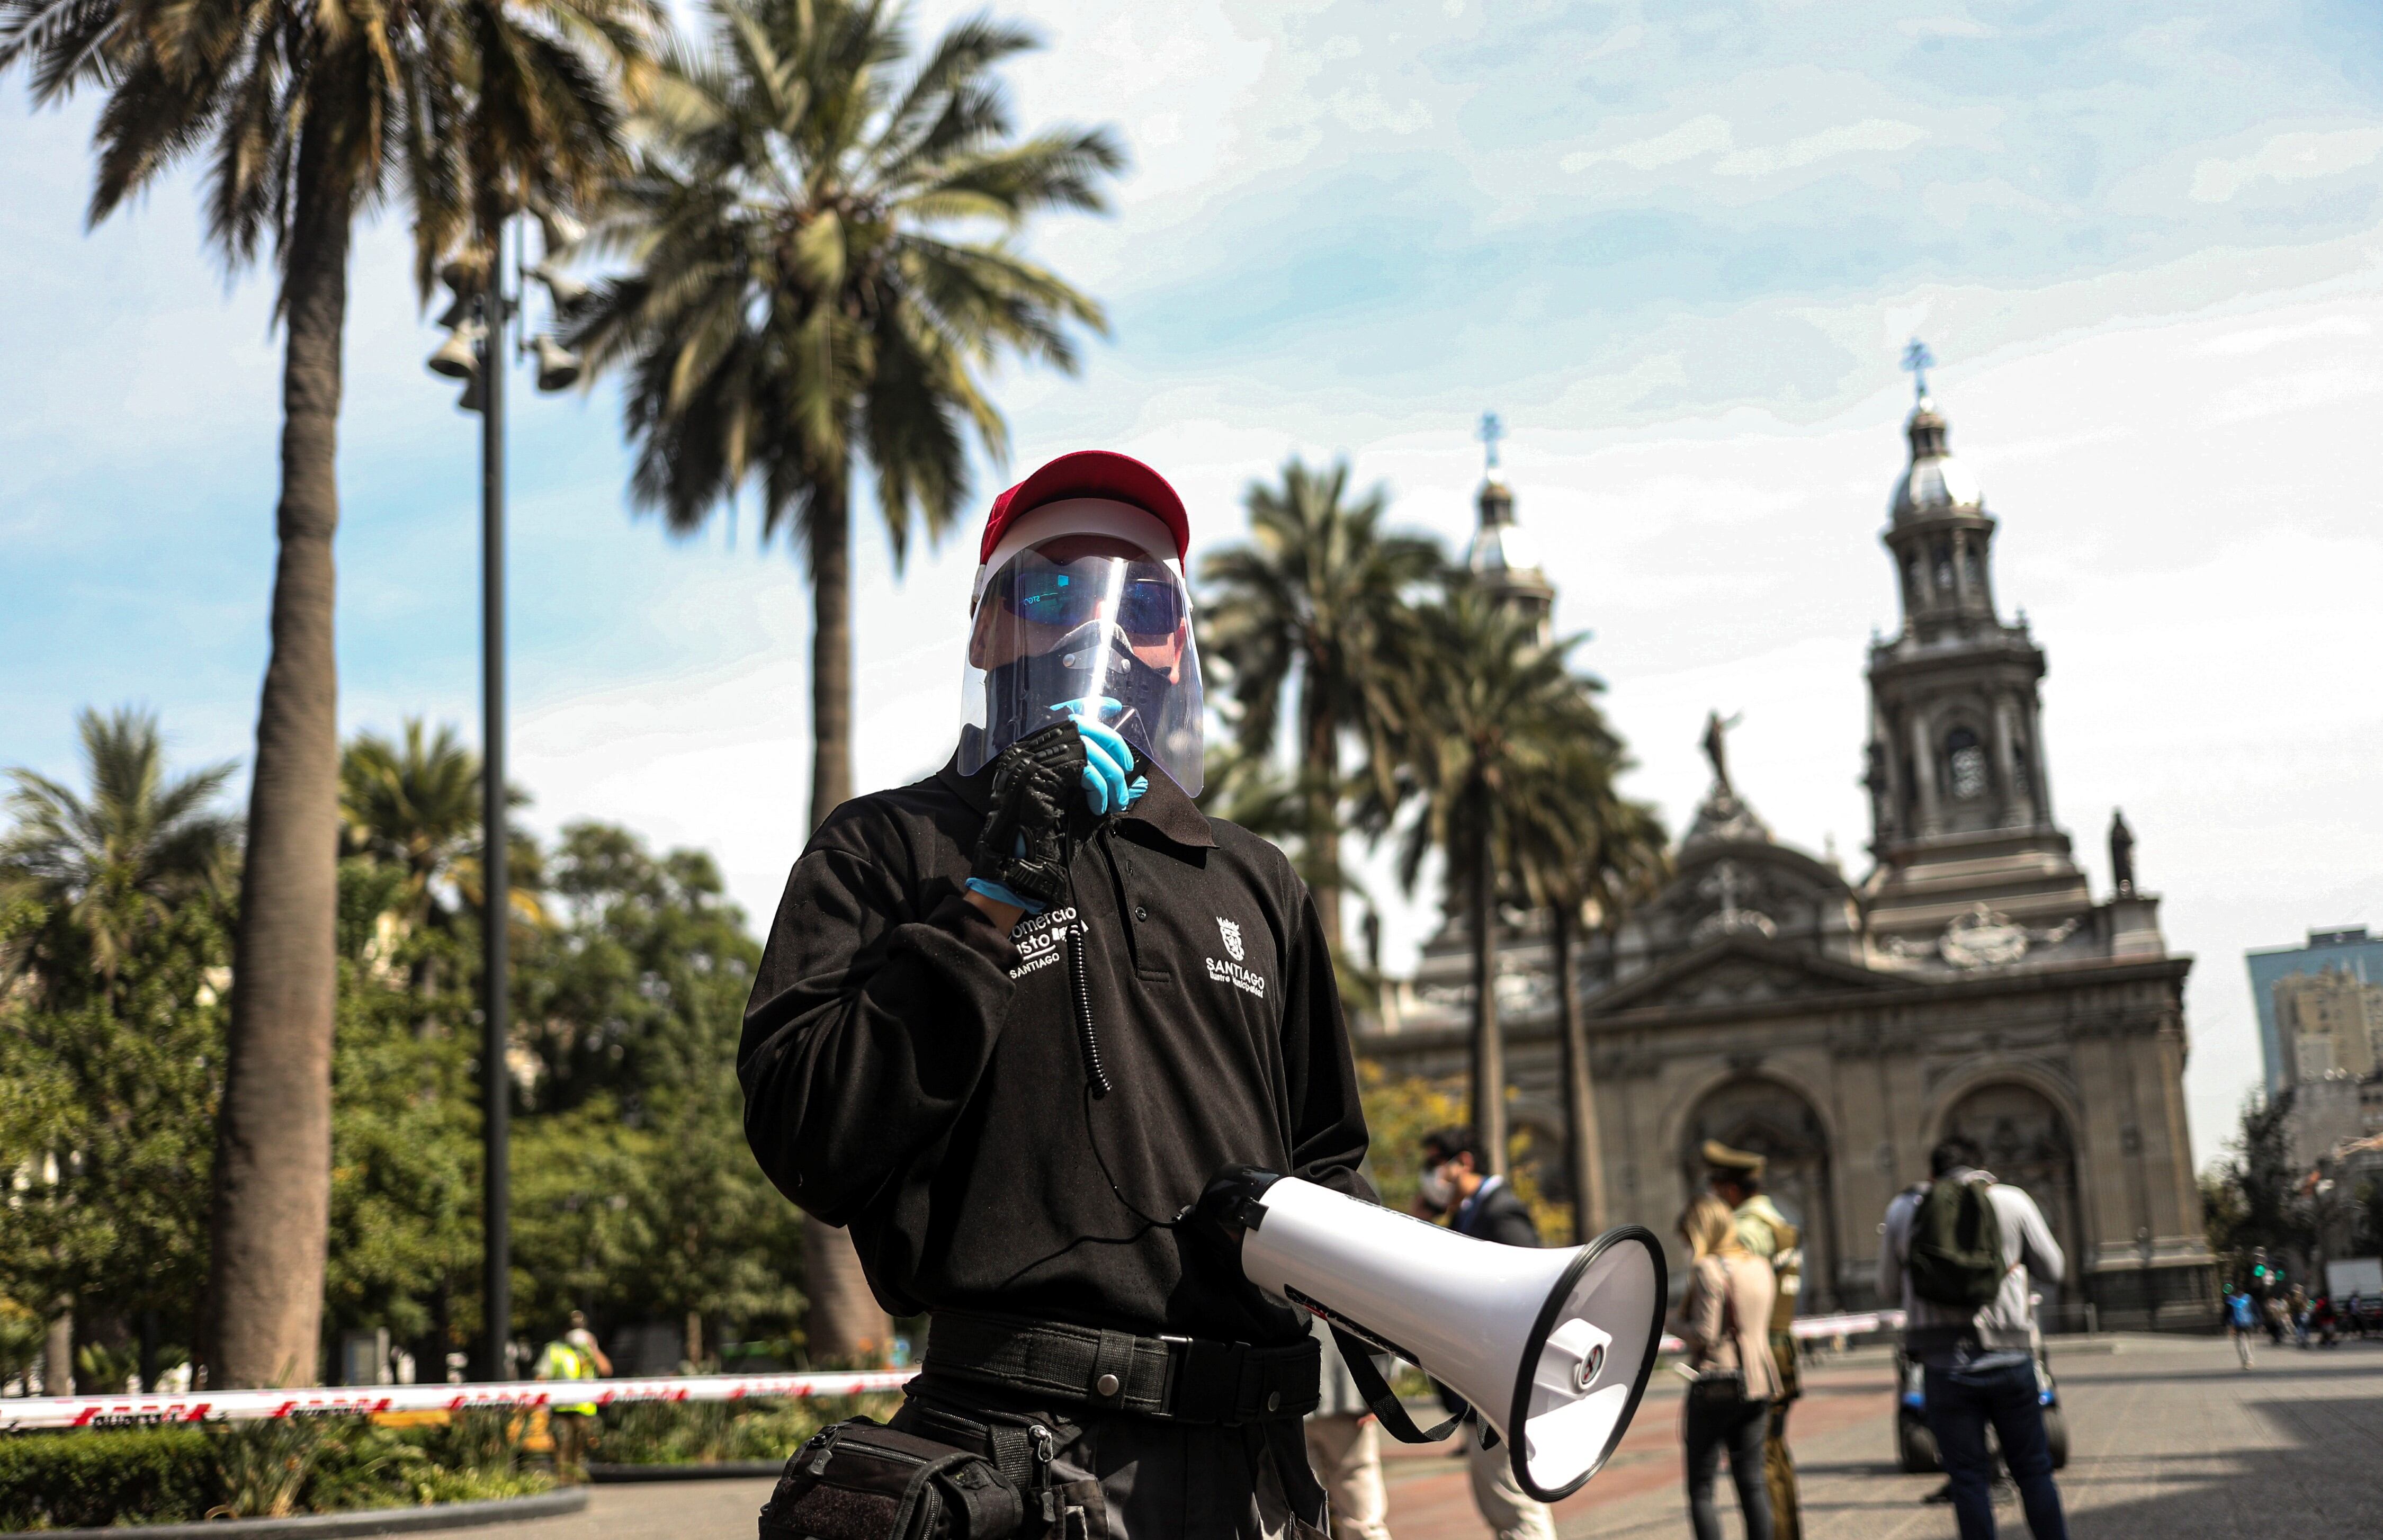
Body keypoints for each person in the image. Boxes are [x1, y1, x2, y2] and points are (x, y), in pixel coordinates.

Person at [739, 450, 1372, 1540]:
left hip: (1253, 1472)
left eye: (1147, 600)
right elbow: (808, 1133)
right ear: (987, 632)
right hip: (1015, 1456)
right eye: (1051, 589)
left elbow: (1325, 1155)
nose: (1104, 624)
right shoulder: (889, 845)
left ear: (1179, 644)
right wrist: (999, 885)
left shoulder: (1255, 877)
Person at [1879, 1135, 2068, 1540]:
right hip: (2010, 1358)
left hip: (1943, 1366)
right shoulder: (2012, 1201)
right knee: (2033, 1470)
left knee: (1968, 1479)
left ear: (1932, 1174)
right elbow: (2054, 1269)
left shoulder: (1903, 1209)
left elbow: (1885, 1287)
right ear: (1982, 1167)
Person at [1413, 1128, 1556, 1540]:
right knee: (1503, 1506)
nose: (1430, 1176)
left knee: (1513, 1509)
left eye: (1435, 1164)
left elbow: (1531, 1293)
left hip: (1502, 1387)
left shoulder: (1500, 1211)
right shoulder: (1469, 1211)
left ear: (1464, 1163)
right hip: (1487, 1387)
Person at [1704, 1141, 1803, 1540]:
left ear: (1729, 1190)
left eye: (1716, 1191)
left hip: (1759, 1355)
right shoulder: (1777, 1222)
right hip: (1781, 1347)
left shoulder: (1746, 1230)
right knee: (1775, 1455)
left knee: (1758, 1462)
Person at [1675, 1193, 1779, 1540]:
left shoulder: (1708, 1269)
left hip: (1718, 1383)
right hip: (1760, 1380)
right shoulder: (1760, 1265)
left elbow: (1704, 1334)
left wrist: (1668, 1322)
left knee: (1702, 1488)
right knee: (1752, 1482)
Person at [1303, 1312, 1393, 1540]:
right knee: (1361, 1516)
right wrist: (1379, 1393)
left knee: (1299, 1516)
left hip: (1286, 1396)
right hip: (1347, 1390)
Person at [533, 1312, 610, 1476]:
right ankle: (564, 1484)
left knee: (581, 1449)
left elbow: (606, 1370)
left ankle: (577, 1482)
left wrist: (593, 1349)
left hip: (585, 1411)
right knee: (563, 1444)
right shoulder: (555, 1349)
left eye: (579, 1328)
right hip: (561, 1411)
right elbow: (541, 1378)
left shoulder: (588, 1350)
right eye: (573, 1328)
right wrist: (542, 1404)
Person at [2227, 1287, 2260, 1369]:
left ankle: (2245, 1361)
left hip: (2236, 1324)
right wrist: (2259, 1322)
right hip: (2248, 1323)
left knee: (2240, 1343)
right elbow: (2256, 1310)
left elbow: (2227, 1314)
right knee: (2249, 1342)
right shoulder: (2248, 1298)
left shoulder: (2231, 1300)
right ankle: (2250, 1360)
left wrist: (2227, 1324)